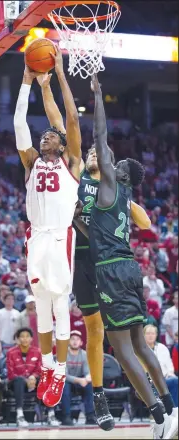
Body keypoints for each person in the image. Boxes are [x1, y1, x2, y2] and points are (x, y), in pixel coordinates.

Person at [38, 69, 152, 432]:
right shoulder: (76, 173)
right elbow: (61, 121)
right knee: (93, 328)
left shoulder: (114, 189)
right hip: (82, 258)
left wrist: (125, 193)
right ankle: (99, 394)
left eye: (97, 153)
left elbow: (146, 223)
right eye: (88, 151)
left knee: (121, 335)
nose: (91, 153)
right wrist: (48, 84)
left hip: (110, 263)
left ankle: (151, 395)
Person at [87, 74, 178, 440]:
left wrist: (97, 96)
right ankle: (171, 407)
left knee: (122, 349)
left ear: (118, 171)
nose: (111, 158)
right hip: (130, 268)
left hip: (111, 270)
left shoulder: (111, 184)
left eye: (114, 160)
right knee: (141, 344)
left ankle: (157, 414)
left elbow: (99, 137)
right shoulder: (124, 197)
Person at [13, 45, 81, 408]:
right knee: (40, 307)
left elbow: (68, 116)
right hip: (35, 237)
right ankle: (47, 366)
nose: (45, 136)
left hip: (58, 235)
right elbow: (19, 124)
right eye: (44, 136)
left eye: (52, 135)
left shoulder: (72, 160)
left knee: (60, 306)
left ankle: (61, 369)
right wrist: (26, 83)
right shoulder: (30, 162)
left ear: (64, 142)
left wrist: (57, 80)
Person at [61, 330, 96, 426]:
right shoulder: (63, 354)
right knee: (64, 386)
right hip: (67, 381)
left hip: (80, 381)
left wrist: (87, 378)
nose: (75, 341)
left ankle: (90, 416)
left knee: (89, 386)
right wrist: (80, 380)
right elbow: (64, 375)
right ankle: (66, 416)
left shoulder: (84, 354)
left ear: (81, 342)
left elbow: (87, 372)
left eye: (77, 339)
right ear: (68, 341)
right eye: (72, 339)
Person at [144, 325, 178, 407]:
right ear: (143, 335)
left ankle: (174, 409)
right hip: (147, 381)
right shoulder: (140, 350)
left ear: (156, 335)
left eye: (152, 333)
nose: (150, 336)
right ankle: (158, 411)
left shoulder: (162, 348)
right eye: (148, 333)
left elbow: (170, 366)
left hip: (163, 379)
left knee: (175, 380)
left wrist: (170, 374)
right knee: (152, 385)